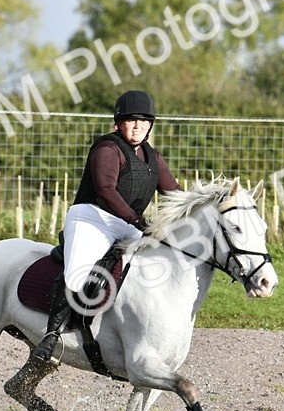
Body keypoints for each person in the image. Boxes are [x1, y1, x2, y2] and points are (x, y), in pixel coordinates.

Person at [33, 89, 182, 364]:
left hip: (127, 224)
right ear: (119, 122)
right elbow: (105, 190)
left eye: (144, 121)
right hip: (92, 217)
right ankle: (52, 334)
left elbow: (174, 192)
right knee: (79, 270)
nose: (138, 126)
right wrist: (138, 221)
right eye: (131, 120)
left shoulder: (152, 158)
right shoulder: (107, 148)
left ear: (150, 125)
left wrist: (198, 208)